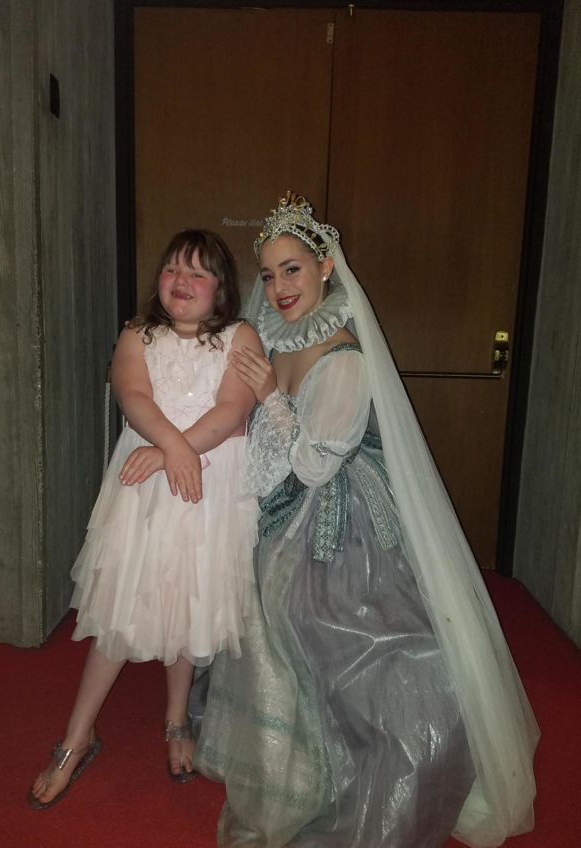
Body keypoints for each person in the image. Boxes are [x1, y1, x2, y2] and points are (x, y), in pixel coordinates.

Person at [194, 194, 539, 848]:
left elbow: (313, 467)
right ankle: (301, 762)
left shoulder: (343, 357)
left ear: (325, 267)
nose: (279, 287)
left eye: (292, 269)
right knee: (275, 623)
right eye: (268, 274)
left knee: (367, 639)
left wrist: (269, 396)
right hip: (279, 511)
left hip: (339, 519)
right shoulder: (277, 334)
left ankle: (360, 757)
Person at [28, 229, 262, 809]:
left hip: (209, 487)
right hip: (143, 490)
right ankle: (77, 737)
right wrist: (169, 448)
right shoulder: (139, 333)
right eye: (172, 269)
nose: (181, 281)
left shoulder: (240, 335)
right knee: (122, 608)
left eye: (197, 273)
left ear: (220, 289)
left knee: (186, 600)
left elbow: (234, 408)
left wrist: (171, 453)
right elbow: (131, 394)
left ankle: (177, 718)